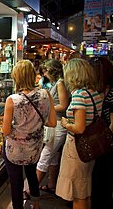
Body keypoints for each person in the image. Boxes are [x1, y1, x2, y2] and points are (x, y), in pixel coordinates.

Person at [2, 60, 56, 209]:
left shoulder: (12, 100)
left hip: (16, 151)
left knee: (16, 181)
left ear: (16, 78)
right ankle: (36, 204)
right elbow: (52, 123)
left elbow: (6, 131)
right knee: (32, 174)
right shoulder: (45, 94)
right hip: (35, 149)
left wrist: (19, 128)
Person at [56, 58, 103, 209]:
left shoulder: (79, 95)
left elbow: (79, 127)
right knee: (84, 187)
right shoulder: (93, 93)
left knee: (77, 192)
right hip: (91, 145)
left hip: (77, 146)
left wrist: (65, 123)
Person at [88, 57, 113, 209]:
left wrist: (101, 146)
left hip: (104, 148)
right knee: (94, 183)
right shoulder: (95, 92)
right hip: (95, 145)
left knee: (102, 183)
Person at [36, 59, 69, 193]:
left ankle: (30, 189)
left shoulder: (60, 83)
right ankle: (51, 184)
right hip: (56, 122)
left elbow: (63, 105)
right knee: (53, 157)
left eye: (46, 71)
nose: (45, 74)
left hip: (59, 123)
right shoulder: (55, 83)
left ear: (52, 71)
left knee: (45, 155)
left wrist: (47, 108)